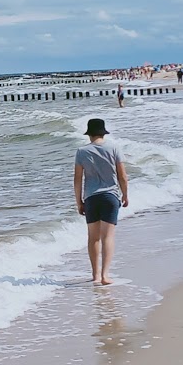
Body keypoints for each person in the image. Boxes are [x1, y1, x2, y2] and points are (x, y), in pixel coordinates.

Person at [74, 118, 130, 286]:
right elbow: (122, 176)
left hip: (91, 198)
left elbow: (77, 179)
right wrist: (125, 195)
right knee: (108, 237)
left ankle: (95, 275)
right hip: (110, 196)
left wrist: (79, 202)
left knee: (93, 238)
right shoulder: (114, 148)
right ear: (103, 132)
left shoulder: (82, 151)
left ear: (89, 134)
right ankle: (105, 275)